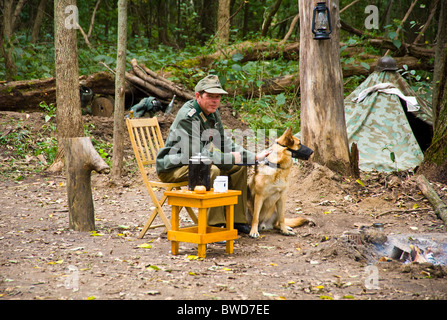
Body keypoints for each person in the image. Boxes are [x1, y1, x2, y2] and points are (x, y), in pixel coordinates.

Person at [156, 75, 269, 233]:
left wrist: (252, 157)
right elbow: (195, 154)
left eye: (217, 97)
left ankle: (236, 221)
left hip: (196, 162)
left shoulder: (211, 113)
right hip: (173, 167)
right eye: (210, 96)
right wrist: (229, 158)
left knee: (239, 168)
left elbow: (223, 142)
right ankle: (213, 226)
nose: (215, 101)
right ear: (198, 96)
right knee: (211, 171)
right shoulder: (187, 117)